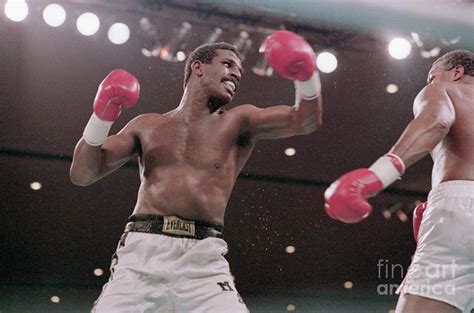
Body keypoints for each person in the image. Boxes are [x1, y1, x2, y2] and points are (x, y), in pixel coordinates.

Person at [70, 30, 323, 312]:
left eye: (240, 70)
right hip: (141, 255)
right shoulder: (147, 125)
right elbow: (83, 174)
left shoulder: (239, 121)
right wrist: (101, 115)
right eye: (228, 64)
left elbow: (303, 121)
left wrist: (306, 74)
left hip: (203, 260)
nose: (236, 74)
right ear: (198, 67)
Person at [324, 50, 474, 313]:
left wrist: (377, 175)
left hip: (460, 207)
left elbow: (436, 121)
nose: (430, 83)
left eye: (431, 77)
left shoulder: (445, 88)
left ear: (457, 72)